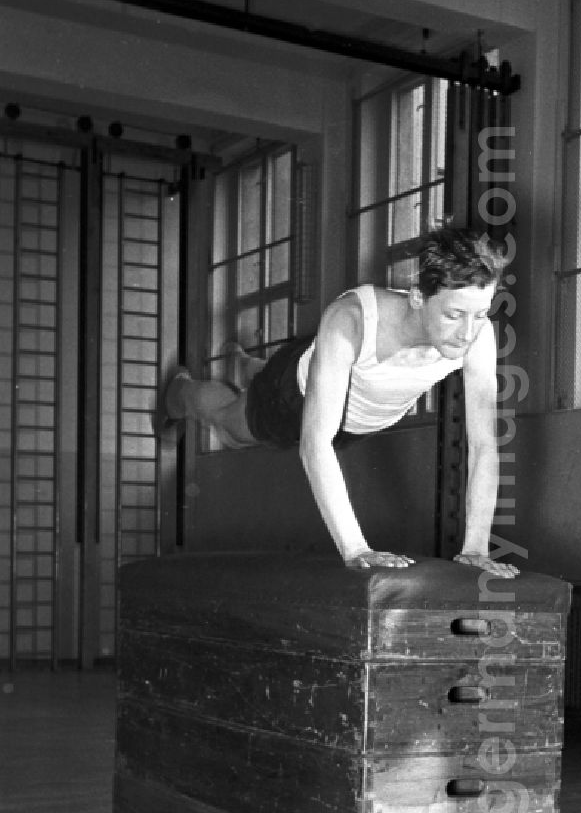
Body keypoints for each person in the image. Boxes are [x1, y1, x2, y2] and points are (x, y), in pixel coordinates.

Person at [159, 226, 517, 577]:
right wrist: (356, 548)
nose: (467, 333)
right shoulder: (353, 320)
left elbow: (484, 445)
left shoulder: (477, 336)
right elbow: (315, 443)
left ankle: (244, 365)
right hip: (293, 397)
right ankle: (180, 393)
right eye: (454, 315)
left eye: (480, 314)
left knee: (274, 382)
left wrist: (475, 548)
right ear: (418, 297)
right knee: (232, 430)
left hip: (357, 418)